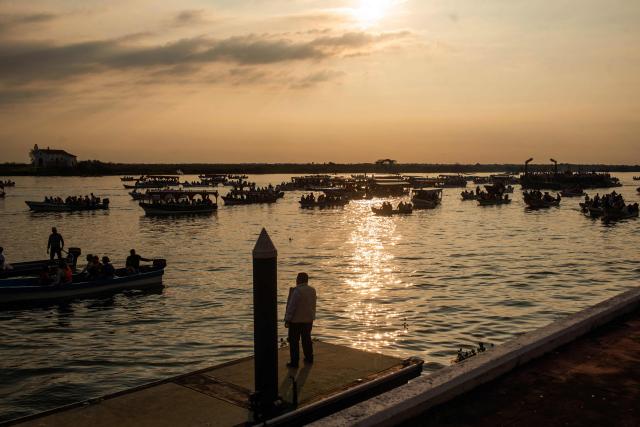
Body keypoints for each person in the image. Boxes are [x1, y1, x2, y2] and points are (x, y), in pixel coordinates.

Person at [284, 272, 317, 368]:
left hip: (296, 321)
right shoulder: (312, 290)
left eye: (297, 278)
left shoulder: (297, 291)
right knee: (306, 340)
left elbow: (291, 307)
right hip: (308, 320)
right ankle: (309, 358)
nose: (296, 280)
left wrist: (287, 319)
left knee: (294, 342)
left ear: (299, 280)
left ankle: (294, 362)